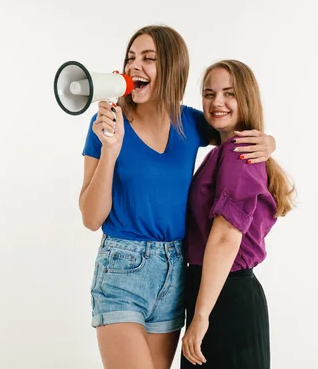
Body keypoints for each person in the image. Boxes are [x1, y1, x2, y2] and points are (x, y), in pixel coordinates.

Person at [80, 26, 277, 369]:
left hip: (175, 275)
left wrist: (269, 141)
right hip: (122, 268)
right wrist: (110, 150)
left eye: (149, 59)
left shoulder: (187, 122)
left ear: (172, 68)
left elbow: (229, 126)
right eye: (130, 57)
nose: (134, 66)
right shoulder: (108, 125)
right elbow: (90, 218)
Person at [181, 60, 295, 368]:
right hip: (219, 291)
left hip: (224, 297)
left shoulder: (238, 152)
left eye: (228, 93)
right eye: (209, 93)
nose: (217, 102)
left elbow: (225, 238)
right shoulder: (229, 150)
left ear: (246, 98)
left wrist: (202, 315)